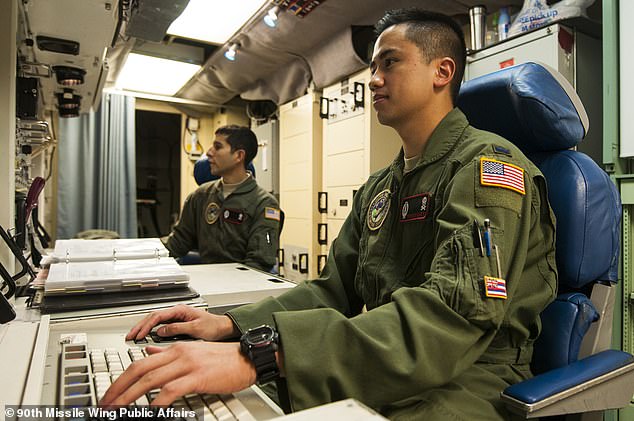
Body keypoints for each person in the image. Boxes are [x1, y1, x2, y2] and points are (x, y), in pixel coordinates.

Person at [101, 9, 557, 420]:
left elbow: (453, 318)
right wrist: (232, 325)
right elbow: (332, 290)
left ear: (443, 71)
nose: (373, 78)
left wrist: (264, 355)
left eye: (390, 63)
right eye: (372, 67)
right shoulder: (381, 187)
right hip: (383, 357)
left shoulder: (488, 169)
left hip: (469, 377)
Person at [163, 125, 280, 272]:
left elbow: (258, 263)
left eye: (217, 147)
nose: (209, 152)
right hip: (207, 281)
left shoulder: (265, 204)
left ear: (239, 155)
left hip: (242, 287)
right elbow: (177, 244)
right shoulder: (201, 196)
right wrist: (140, 253)